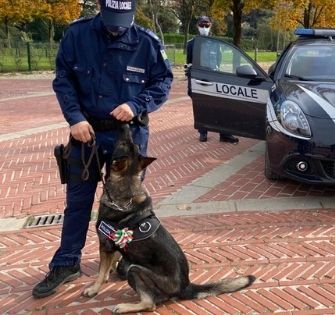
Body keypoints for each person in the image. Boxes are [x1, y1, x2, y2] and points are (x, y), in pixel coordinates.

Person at [32, 0, 173, 298]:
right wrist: (75, 118)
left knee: (128, 206)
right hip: (87, 134)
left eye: (123, 19)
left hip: (129, 137)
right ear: (100, 6)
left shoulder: (147, 42)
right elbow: (63, 79)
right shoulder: (77, 35)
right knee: (78, 201)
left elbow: (163, 82)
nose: (116, 26)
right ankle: (66, 262)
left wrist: (136, 105)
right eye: (111, 18)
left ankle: (123, 257)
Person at [185, 16, 239, 143]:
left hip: (214, 78)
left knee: (221, 106)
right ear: (197, 26)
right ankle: (203, 132)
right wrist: (190, 84)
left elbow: (218, 62)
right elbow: (189, 63)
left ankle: (224, 133)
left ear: (211, 26)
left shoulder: (216, 43)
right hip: (199, 80)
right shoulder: (191, 44)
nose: (204, 28)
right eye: (202, 25)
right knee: (201, 106)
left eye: (207, 25)